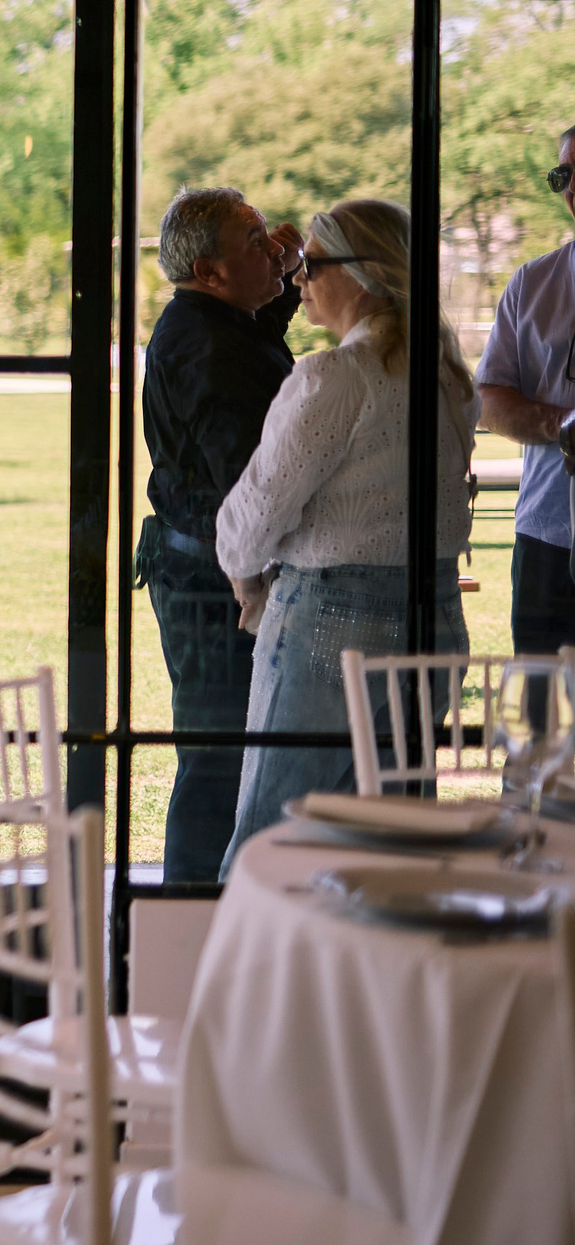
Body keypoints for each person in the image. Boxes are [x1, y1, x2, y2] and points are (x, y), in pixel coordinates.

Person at [216, 199, 475, 873]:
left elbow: (250, 520)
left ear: (362, 275)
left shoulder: (335, 378)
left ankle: (247, 975)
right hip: (434, 627)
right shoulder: (447, 379)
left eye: (312, 265)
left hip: (331, 633)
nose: (298, 280)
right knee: (385, 851)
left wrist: (248, 582)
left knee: (271, 843)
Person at [137, 187, 305, 886]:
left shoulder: (214, 323)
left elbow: (257, 337)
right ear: (209, 272)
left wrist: (284, 282)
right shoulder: (210, 347)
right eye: (256, 243)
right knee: (217, 761)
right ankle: (190, 934)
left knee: (224, 755)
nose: (274, 250)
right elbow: (244, 486)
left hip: (197, 575)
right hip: (212, 588)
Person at [475, 126, 575, 655]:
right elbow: (490, 400)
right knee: (541, 717)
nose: (572, 185)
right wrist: (564, 426)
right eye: (563, 174)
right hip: (547, 534)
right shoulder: (531, 284)